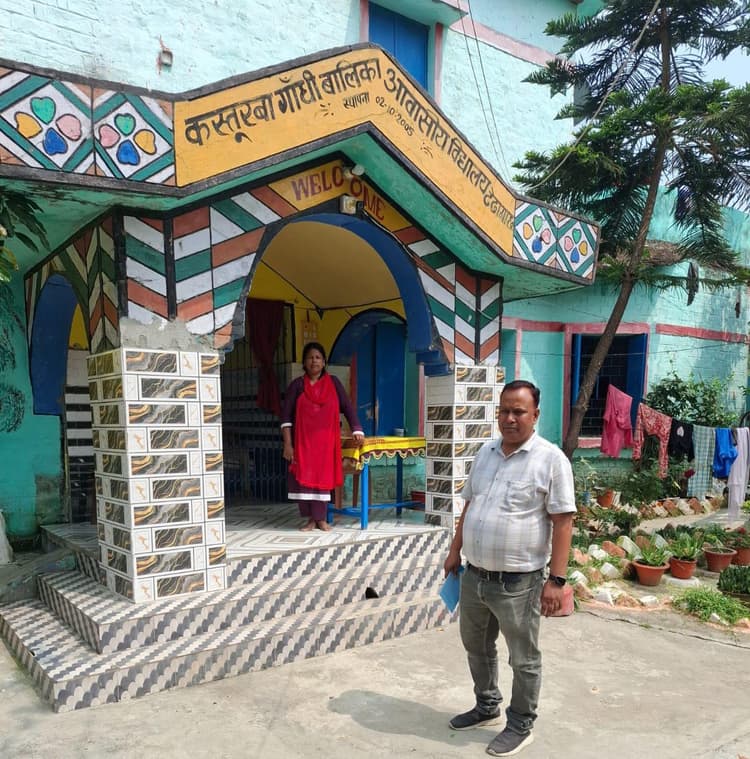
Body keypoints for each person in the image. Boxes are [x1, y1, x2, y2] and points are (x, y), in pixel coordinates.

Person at [443, 379, 575, 757]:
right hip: (475, 575)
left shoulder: (550, 460)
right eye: (504, 411)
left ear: (535, 415)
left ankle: (520, 724)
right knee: (476, 645)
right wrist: (455, 550)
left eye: (519, 411)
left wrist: (557, 580)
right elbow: (470, 504)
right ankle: (487, 706)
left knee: (523, 657)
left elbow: (563, 522)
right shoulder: (485, 453)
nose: (510, 418)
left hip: (519, 582)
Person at [281, 342, 364, 531]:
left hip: (326, 444)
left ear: (324, 362)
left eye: (318, 357)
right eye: (310, 357)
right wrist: (288, 444)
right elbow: (286, 418)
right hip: (303, 444)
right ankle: (311, 519)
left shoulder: (333, 383)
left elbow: (347, 407)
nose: (314, 361)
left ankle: (321, 519)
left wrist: (357, 429)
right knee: (304, 480)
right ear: (304, 362)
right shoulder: (297, 385)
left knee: (323, 480)